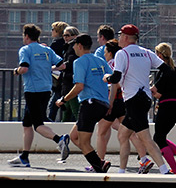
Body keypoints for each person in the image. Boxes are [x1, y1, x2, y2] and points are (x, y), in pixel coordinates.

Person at [104, 24, 171, 174]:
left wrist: (106, 77)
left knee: (146, 138)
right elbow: (167, 70)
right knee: (122, 134)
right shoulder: (146, 53)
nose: (119, 38)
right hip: (144, 98)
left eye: (120, 35)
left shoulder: (122, 54)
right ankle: (121, 171)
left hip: (133, 100)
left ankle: (165, 170)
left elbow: (116, 77)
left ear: (126, 38)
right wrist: (155, 87)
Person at [9, 24, 71, 167]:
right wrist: (46, 68)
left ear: (26, 36)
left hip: (32, 90)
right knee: (27, 124)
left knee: (37, 125)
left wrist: (16, 71)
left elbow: (24, 68)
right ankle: (24, 156)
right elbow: (62, 65)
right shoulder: (46, 49)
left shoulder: (25, 49)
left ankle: (60, 139)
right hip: (46, 89)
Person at [54, 33, 113, 173]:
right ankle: (99, 162)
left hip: (89, 104)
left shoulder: (79, 62)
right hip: (102, 104)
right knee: (74, 136)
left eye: (74, 45)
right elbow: (112, 79)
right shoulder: (100, 60)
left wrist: (63, 99)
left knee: (84, 142)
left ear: (79, 46)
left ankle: (99, 166)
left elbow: (79, 86)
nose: (73, 47)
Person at [151, 43, 176, 173]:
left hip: (166, 105)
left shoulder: (163, 71)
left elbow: (157, 92)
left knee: (159, 138)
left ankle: (174, 168)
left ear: (160, 56)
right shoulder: (175, 69)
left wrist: (150, 89)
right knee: (161, 136)